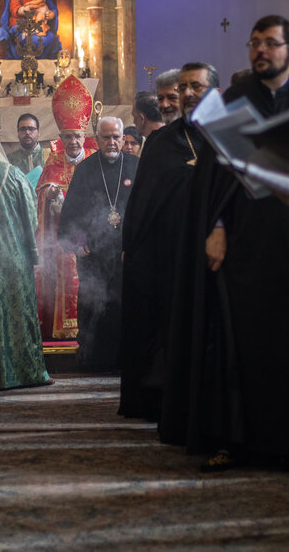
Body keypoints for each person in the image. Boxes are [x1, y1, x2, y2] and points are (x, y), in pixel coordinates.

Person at [168, 21, 289, 472]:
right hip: (242, 240)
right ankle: (234, 440)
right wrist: (215, 226)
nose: (261, 50)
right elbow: (215, 178)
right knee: (237, 340)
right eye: (255, 43)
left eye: (270, 43)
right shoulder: (233, 101)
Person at [118, 67, 205, 421]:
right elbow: (141, 202)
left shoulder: (213, 134)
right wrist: (131, 246)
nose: (168, 104)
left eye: (174, 97)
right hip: (164, 249)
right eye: (163, 99)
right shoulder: (157, 142)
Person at [0, 127, 52, 389]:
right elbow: (31, 217)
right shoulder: (12, 174)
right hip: (10, 259)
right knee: (16, 317)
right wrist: (32, 250)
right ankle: (25, 373)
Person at [59, 117, 138, 371]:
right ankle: (92, 358)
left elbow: (144, 209)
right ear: (97, 139)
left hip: (127, 252)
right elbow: (72, 211)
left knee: (125, 303)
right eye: (106, 137)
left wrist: (135, 245)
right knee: (92, 302)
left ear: (123, 138)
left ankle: (126, 358)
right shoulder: (85, 169)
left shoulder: (136, 166)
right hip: (93, 252)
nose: (112, 142)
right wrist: (77, 241)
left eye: (116, 137)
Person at [34, 75, 99, 342]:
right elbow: (41, 195)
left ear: (85, 136)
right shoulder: (53, 161)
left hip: (89, 235)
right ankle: (60, 329)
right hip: (61, 236)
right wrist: (49, 195)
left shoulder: (94, 160)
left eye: (77, 136)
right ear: (61, 137)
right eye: (68, 136)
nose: (73, 141)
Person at [7, 112, 48, 177]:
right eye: (23, 129)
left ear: (38, 132)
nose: (27, 132)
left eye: (31, 129)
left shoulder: (50, 156)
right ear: (18, 133)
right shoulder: (9, 160)